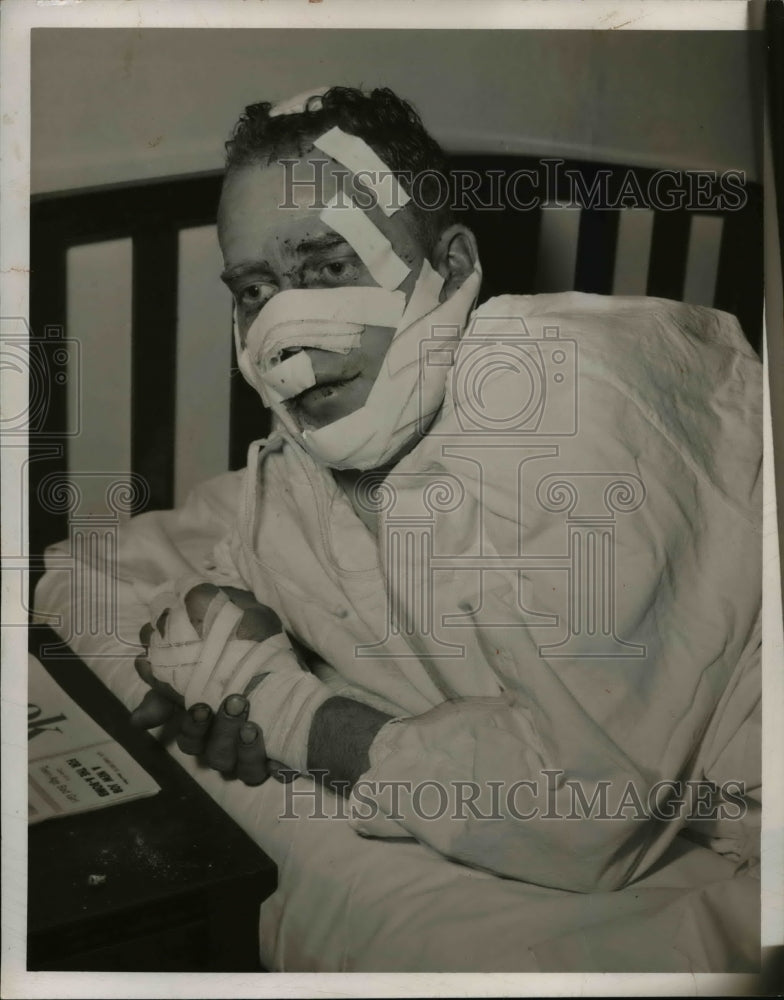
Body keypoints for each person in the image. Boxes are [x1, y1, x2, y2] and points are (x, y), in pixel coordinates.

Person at [35, 86, 762, 902]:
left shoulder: (561, 397)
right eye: (252, 290)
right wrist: (200, 671)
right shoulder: (290, 487)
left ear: (449, 266)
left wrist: (287, 713)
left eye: (327, 267)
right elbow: (77, 576)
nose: (284, 330)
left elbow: (582, 811)